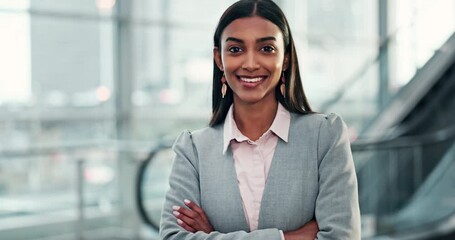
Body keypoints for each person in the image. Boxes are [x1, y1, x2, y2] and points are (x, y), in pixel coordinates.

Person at [159, 0, 361, 239]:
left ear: (285, 58)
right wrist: (288, 237)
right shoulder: (193, 150)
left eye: (266, 49)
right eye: (235, 49)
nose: (251, 64)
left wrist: (212, 235)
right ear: (219, 59)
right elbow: (172, 237)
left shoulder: (324, 137)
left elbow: (341, 236)